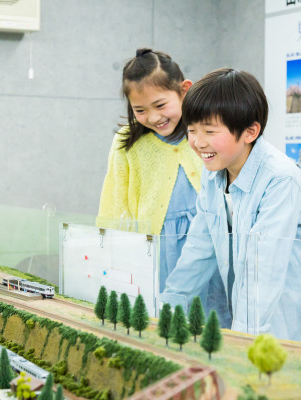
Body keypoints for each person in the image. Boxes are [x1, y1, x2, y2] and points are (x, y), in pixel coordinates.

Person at [160, 68, 301, 340]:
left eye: (209, 130)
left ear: (250, 131)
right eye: (191, 130)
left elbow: (263, 270)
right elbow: (198, 249)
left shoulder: (280, 178)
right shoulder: (214, 170)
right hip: (272, 300)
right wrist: (165, 315)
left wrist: (242, 342)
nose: (197, 142)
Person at [97, 49, 228, 320]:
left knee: (213, 318)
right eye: (140, 110)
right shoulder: (127, 142)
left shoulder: (205, 133)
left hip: (209, 241)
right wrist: (110, 249)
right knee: (167, 318)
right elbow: (114, 198)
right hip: (158, 247)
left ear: (184, 90)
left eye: (160, 105)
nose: (153, 117)